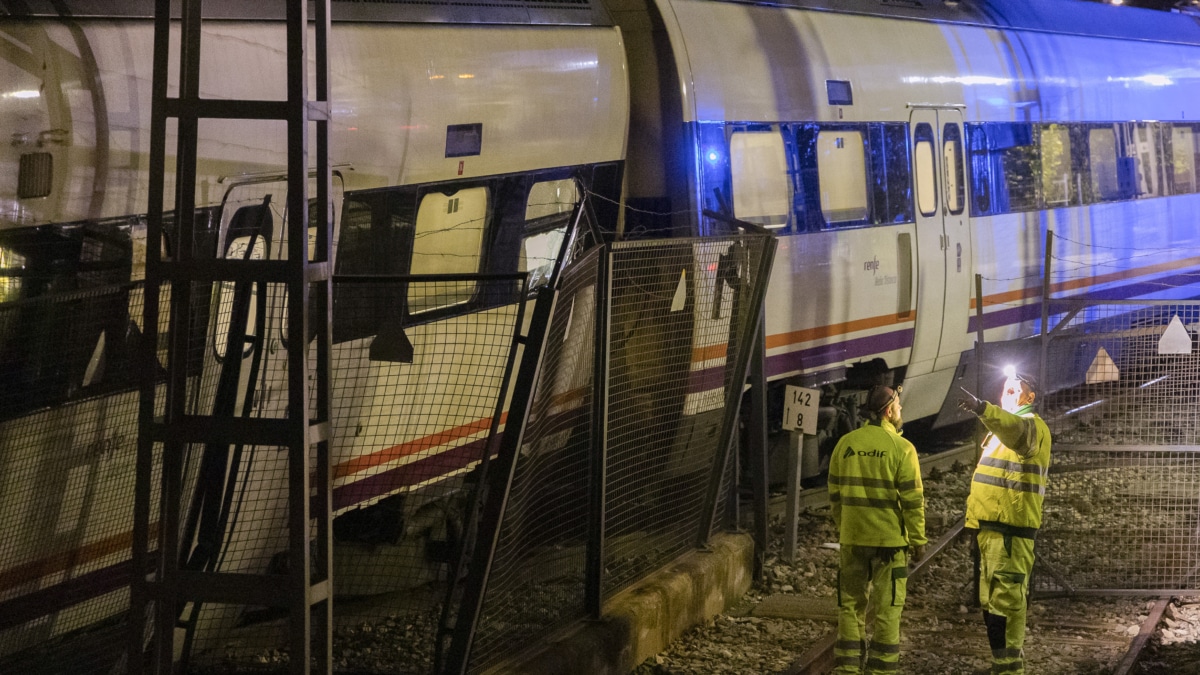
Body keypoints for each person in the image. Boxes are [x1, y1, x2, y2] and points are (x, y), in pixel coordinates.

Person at [959, 368, 1052, 675]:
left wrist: (983, 408)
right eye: (1006, 389)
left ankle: (1010, 670)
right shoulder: (1001, 431)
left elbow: (1014, 430)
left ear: (1030, 397)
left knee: (1006, 610)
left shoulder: (1030, 428)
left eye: (1016, 389)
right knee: (992, 609)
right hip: (992, 532)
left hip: (1011, 536)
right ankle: (1003, 667)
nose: (1008, 393)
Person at [828, 385, 926, 675]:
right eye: (899, 408)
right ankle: (881, 671)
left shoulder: (845, 444)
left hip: (853, 539)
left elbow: (834, 496)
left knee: (850, 605)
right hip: (890, 544)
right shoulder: (902, 448)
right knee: (887, 609)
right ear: (889, 410)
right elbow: (912, 500)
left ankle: (848, 669)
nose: (901, 413)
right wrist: (918, 539)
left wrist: (846, 528)